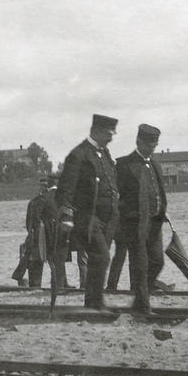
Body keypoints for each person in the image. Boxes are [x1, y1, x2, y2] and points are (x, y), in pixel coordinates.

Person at [56, 114, 119, 310]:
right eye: (109, 134)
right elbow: (66, 188)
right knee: (102, 257)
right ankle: (96, 303)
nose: (111, 138)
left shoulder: (105, 153)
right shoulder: (78, 155)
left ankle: (91, 303)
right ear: (97, 131)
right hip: (88, 217)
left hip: (108, 217)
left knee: (97, 260)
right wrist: (67, 216)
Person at [114, 124, 167, 314]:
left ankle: (139, 297)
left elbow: (158, 192)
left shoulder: (156, 165)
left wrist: (162, 210)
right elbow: (117, 196)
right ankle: (143, 307)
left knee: (157, 262)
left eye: (155, 145)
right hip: (135, 225)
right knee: (140, 265)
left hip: (155, 224)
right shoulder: (124, 165)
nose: (152, 149)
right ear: (139, 142)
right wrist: (127, 215)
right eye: (149, 146)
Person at [12, 177, 53, 288]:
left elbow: (28, 222)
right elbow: (32, 220)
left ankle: (33, 283)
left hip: (35, 234)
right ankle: (35, 284)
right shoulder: (43, 201)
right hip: (39, 235)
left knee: (33, 259)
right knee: (36, 260)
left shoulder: (34, 201)